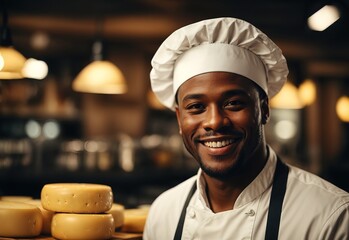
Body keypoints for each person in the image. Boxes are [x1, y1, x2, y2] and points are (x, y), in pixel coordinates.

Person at [143, 17, 349, 240]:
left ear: (264, 109)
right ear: (179, 119)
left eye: (233, 103)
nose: (214, 121)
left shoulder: (331, 216)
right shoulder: (163, 213)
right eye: (196, 107)